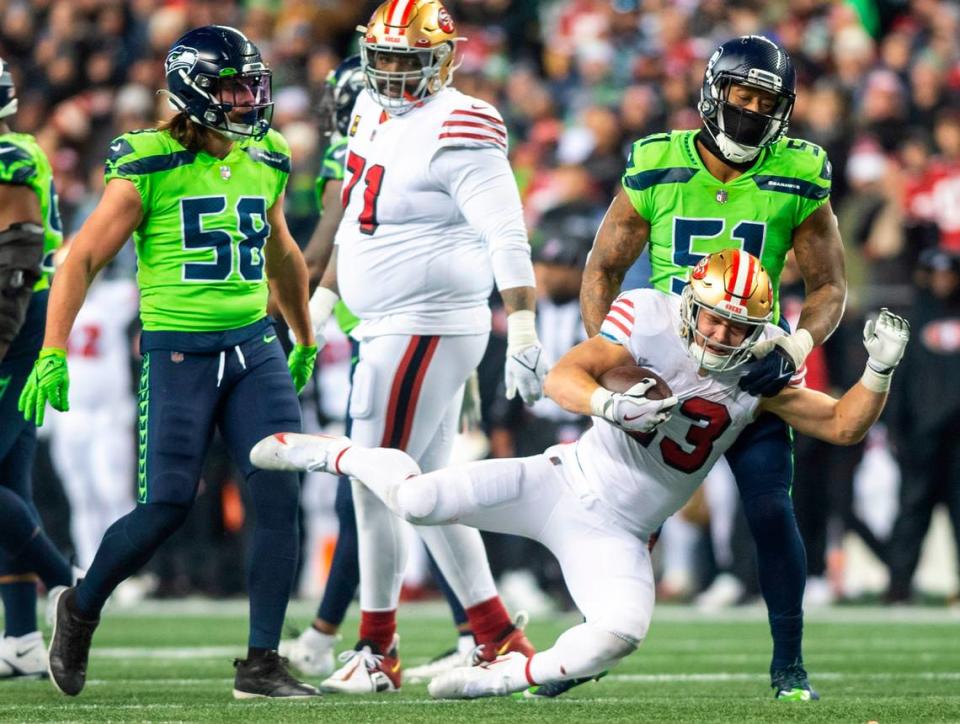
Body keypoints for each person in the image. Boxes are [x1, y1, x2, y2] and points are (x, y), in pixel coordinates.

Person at [250, 249, 909, 700]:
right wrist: (609, 403)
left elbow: (845, 424)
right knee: (418, 500)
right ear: (689, 302)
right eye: (712, 315)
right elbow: (567, 374)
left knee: (619, 633)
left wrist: (877, 370)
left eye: (738, 326)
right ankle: (336, 454)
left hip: (620, 532)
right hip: (561, 480)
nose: (720, 332)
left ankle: (501, 677)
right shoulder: (648, 316)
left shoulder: (759, 372)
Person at [18, 26, 320, 699]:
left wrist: (300, 334)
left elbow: (283, 253)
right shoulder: (147, 161)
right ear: (192, 91)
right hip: (178, 350)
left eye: (252, 85)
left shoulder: (268, 153)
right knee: (166, 507)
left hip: (253, 346)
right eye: (232, 88)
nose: (248, 100)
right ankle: (82, 604)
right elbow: (85, 258)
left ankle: (262, 663)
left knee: (277, 495)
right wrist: (53, 349)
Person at [579, 35, 847, 700]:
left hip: (754, 367)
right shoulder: (658, 163)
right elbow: (603, 268)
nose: (753, 110)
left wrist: (796, 346)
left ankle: (789, 665)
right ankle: (582, 656)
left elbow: (829, 287)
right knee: (619, 517)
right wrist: (611, 361)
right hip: (667, 365)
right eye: (742, 94)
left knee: (768, 509)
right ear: (713, 92)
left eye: (767, 101)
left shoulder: (799, 172)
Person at [303, 0, 543, 693]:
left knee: (375, 483)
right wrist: (321, 303)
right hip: (386, 324)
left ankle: (378, 649)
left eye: (407, 62)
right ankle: (497, 635)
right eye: (381, 60)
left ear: (443, 60)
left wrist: (521, 323)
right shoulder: (369, 111)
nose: (392, 75)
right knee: (426, 488)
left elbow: (506, 234)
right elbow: (353, 218)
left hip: (426, 323)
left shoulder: (462, 121)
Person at [283, 54, 475, 682]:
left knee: (378, 489)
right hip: (395, 329)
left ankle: (363, 638)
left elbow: (334, 243)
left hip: (406, 330)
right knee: (405, 488)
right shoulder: (374, 131)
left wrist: (300, 290)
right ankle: (482, 628)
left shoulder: (388, 137)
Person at [0, 55, 74, 679]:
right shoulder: (20, 146)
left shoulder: (11, 159)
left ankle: (68, 583)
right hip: (18, 313)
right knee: (11, 474)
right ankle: (22, 634)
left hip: (15, 319)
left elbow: (16, 265)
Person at [885, 248, 960, 602]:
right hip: (921, 438)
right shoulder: (910, 320)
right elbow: (896, 382)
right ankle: (898, 588)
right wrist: (895, 431)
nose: (943, 281)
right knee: (912, 513)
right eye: (936, 273)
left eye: (949, 274)